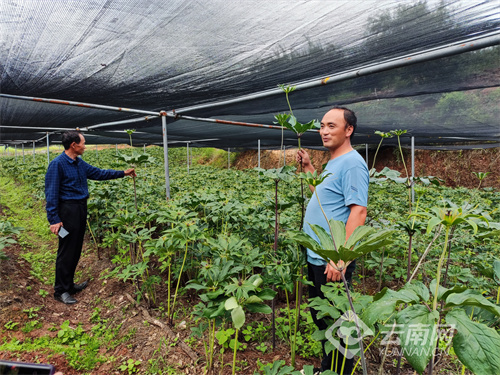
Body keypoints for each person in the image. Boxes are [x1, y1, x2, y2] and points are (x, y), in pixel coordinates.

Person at [296, 107, 369, 374]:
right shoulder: (333, 162)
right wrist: (309, 169)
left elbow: (358, 211)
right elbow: (325, 198)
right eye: (322, 126)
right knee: (323, 318)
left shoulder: (352, 163)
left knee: (337, 323)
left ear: (348, 130)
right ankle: (329, 369)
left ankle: (339, 372)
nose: (324, 131)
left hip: (334, 260)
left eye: (331, 126)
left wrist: (341, 257)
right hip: (318, 256)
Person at [45, 131, 136, 305]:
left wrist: (123, 173)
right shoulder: (57, 164)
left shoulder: (79, 163)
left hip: (80, 209)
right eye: (83, 143)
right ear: (74, 145)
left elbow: (99, 173)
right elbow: (51, 193)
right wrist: (54, 219)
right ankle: (60, 290)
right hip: (67, 212)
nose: (85, 146)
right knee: (66, 250)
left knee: (76, 247)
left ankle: (69, 285)